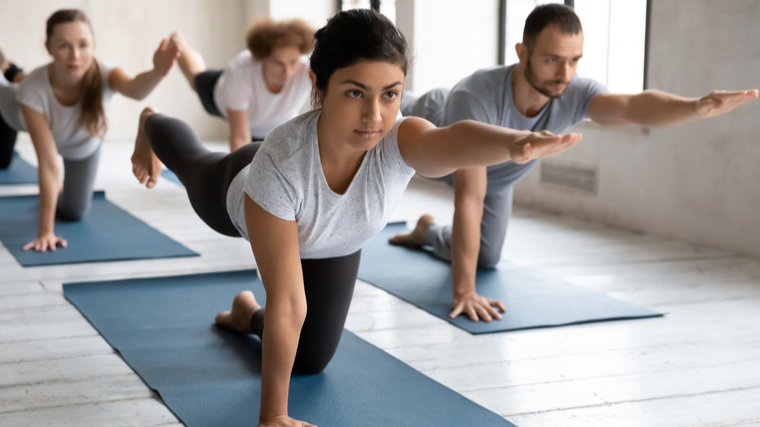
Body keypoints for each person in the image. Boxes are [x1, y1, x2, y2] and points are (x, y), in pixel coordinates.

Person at [131, 9, 581, 427]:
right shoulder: (279, 168)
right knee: (193, 164)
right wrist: (273, 417)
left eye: (390, 94)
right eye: (354, 92)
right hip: (245, 185)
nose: (374, 115)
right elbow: (289, 302)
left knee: (310, 361)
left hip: (334, 239)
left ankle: (246, 314)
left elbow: (450, 141)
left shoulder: (398, 137)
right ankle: (150, 122)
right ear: (318, 84)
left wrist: (513, 143)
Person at [391, 3, 759, 323]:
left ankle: (427, 232)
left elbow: (633, 107)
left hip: (495, 180)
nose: (565, 74)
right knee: (379, 124)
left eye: (574, 60)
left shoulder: (574, 91)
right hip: (424, 133)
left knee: (486, 257)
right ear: (522, 52)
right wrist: (464, 292)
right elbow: (468, 196)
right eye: (552, 59)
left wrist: (695, 107)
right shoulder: (476, 94)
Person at [0, 9, 179, 253]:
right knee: (6, 93)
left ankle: (12, 69)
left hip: (81, 147)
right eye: (63, 45)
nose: (75, 55)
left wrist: (158, 71)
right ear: (48, 47)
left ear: (94, 45)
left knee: (74, 213)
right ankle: (5, 68)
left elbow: (136, 89)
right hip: (16, 111)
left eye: (83, 45)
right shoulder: (33, 89)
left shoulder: (105, 74)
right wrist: (45, 231)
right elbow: (49, 162)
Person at [168, 18, 315, 152]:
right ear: (262, 57)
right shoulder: (240, 73)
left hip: (270, 129)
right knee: (195, 78)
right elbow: (240, 136)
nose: (287, 71)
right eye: (278, 63)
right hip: (220, 95)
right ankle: (178, 43)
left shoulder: (307, 70)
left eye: (292, 62)